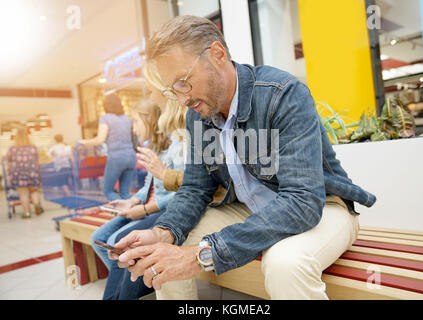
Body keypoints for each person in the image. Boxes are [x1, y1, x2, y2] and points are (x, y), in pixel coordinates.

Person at [112, 15, 376, 300]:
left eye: (183, 83)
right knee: (167, 250)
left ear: (217, 54)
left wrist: (202, 254)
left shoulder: (283, 94)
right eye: (171, 90)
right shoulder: (197, 117)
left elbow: (303, 201)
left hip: (324, 206)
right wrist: (163, 233)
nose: (181, 100)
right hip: (251, 210)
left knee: (285, 264)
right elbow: (195, 189)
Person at [91, 98, 184, 274]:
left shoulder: (175, 148)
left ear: (149, 119)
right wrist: (132, 201)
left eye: (135, 121)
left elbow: (184, 189)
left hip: (159, 211)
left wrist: (145, 210)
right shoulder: (154, 148)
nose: (133, 128)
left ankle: (130, 280)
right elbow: (147, 186)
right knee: (98, 238)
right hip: (144, 208)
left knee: (114, 241)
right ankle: (123, 279)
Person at [79, 94, 136, 201]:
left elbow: (100, 139)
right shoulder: (127, 119)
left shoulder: (105, 118)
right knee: (124, 192)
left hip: (116, 157)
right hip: (131, 157)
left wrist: (84, 142)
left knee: (108, 191)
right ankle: (132, 213)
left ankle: (124, 211)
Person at [6, 127, 43, 218]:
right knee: (34, 190)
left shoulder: (12, 148)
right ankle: (36, 204)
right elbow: (37, 160)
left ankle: (27, 213)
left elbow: (8, 160)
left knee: (23, 194)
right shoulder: (33, 147)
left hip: (18, 173)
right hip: (32, 171)